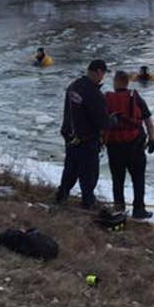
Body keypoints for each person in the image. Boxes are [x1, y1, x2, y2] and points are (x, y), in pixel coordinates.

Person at [56, 59, 111, 209]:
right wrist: (114, 121)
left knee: (71, 168)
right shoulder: (94, 93)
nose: (103, 77)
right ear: (99, 72)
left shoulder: (73, 86)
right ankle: (88, 201)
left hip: (70, 136)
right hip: (86, 139)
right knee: (89, 172)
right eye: (103, 74)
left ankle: (61, 195)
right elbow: (102, 121)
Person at [103, 71, 154, 219]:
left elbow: (101, 122)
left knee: (117, 179)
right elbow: (148, 122)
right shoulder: (135, 97)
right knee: (138, 179)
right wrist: (151, 140)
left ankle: (119, 208)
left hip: (114, 146)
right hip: (135, 146)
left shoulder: (107, 98)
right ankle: (139, 209)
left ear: (116, 82)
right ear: (127, 82)